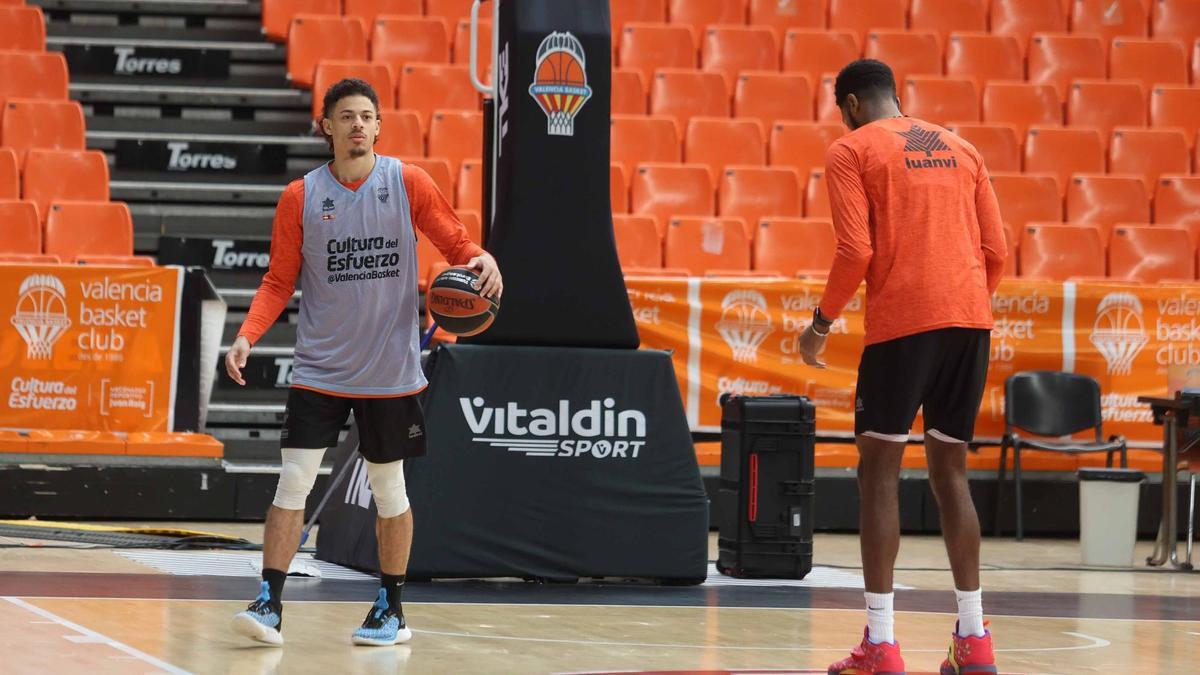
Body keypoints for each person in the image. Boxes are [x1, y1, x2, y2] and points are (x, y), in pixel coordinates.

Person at [225, 78, 502, 647]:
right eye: (346, 116)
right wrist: (248, 334)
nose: (357, 125)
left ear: (378, 126)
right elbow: (279, 281)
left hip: (389, 371)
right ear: (325, 126)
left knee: (390, 490)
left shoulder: (407, 183)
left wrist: (482, 259)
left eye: (367, 116)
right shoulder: (300, 196)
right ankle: (269, 603)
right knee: (292, 483)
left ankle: (391, 609)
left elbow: (457, 245)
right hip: (320, 369)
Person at [797, 60, 1006, 675]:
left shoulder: (850, 150)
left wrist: (820, 324)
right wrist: (961, 301)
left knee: (879, 473)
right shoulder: (963, 148)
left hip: (902, 326)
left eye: (843, 110)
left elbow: (855, 249)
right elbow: (996, 251)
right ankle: (974, 640)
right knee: (952, 473)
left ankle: (882, 646)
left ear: (854, 104)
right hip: (970, 322)